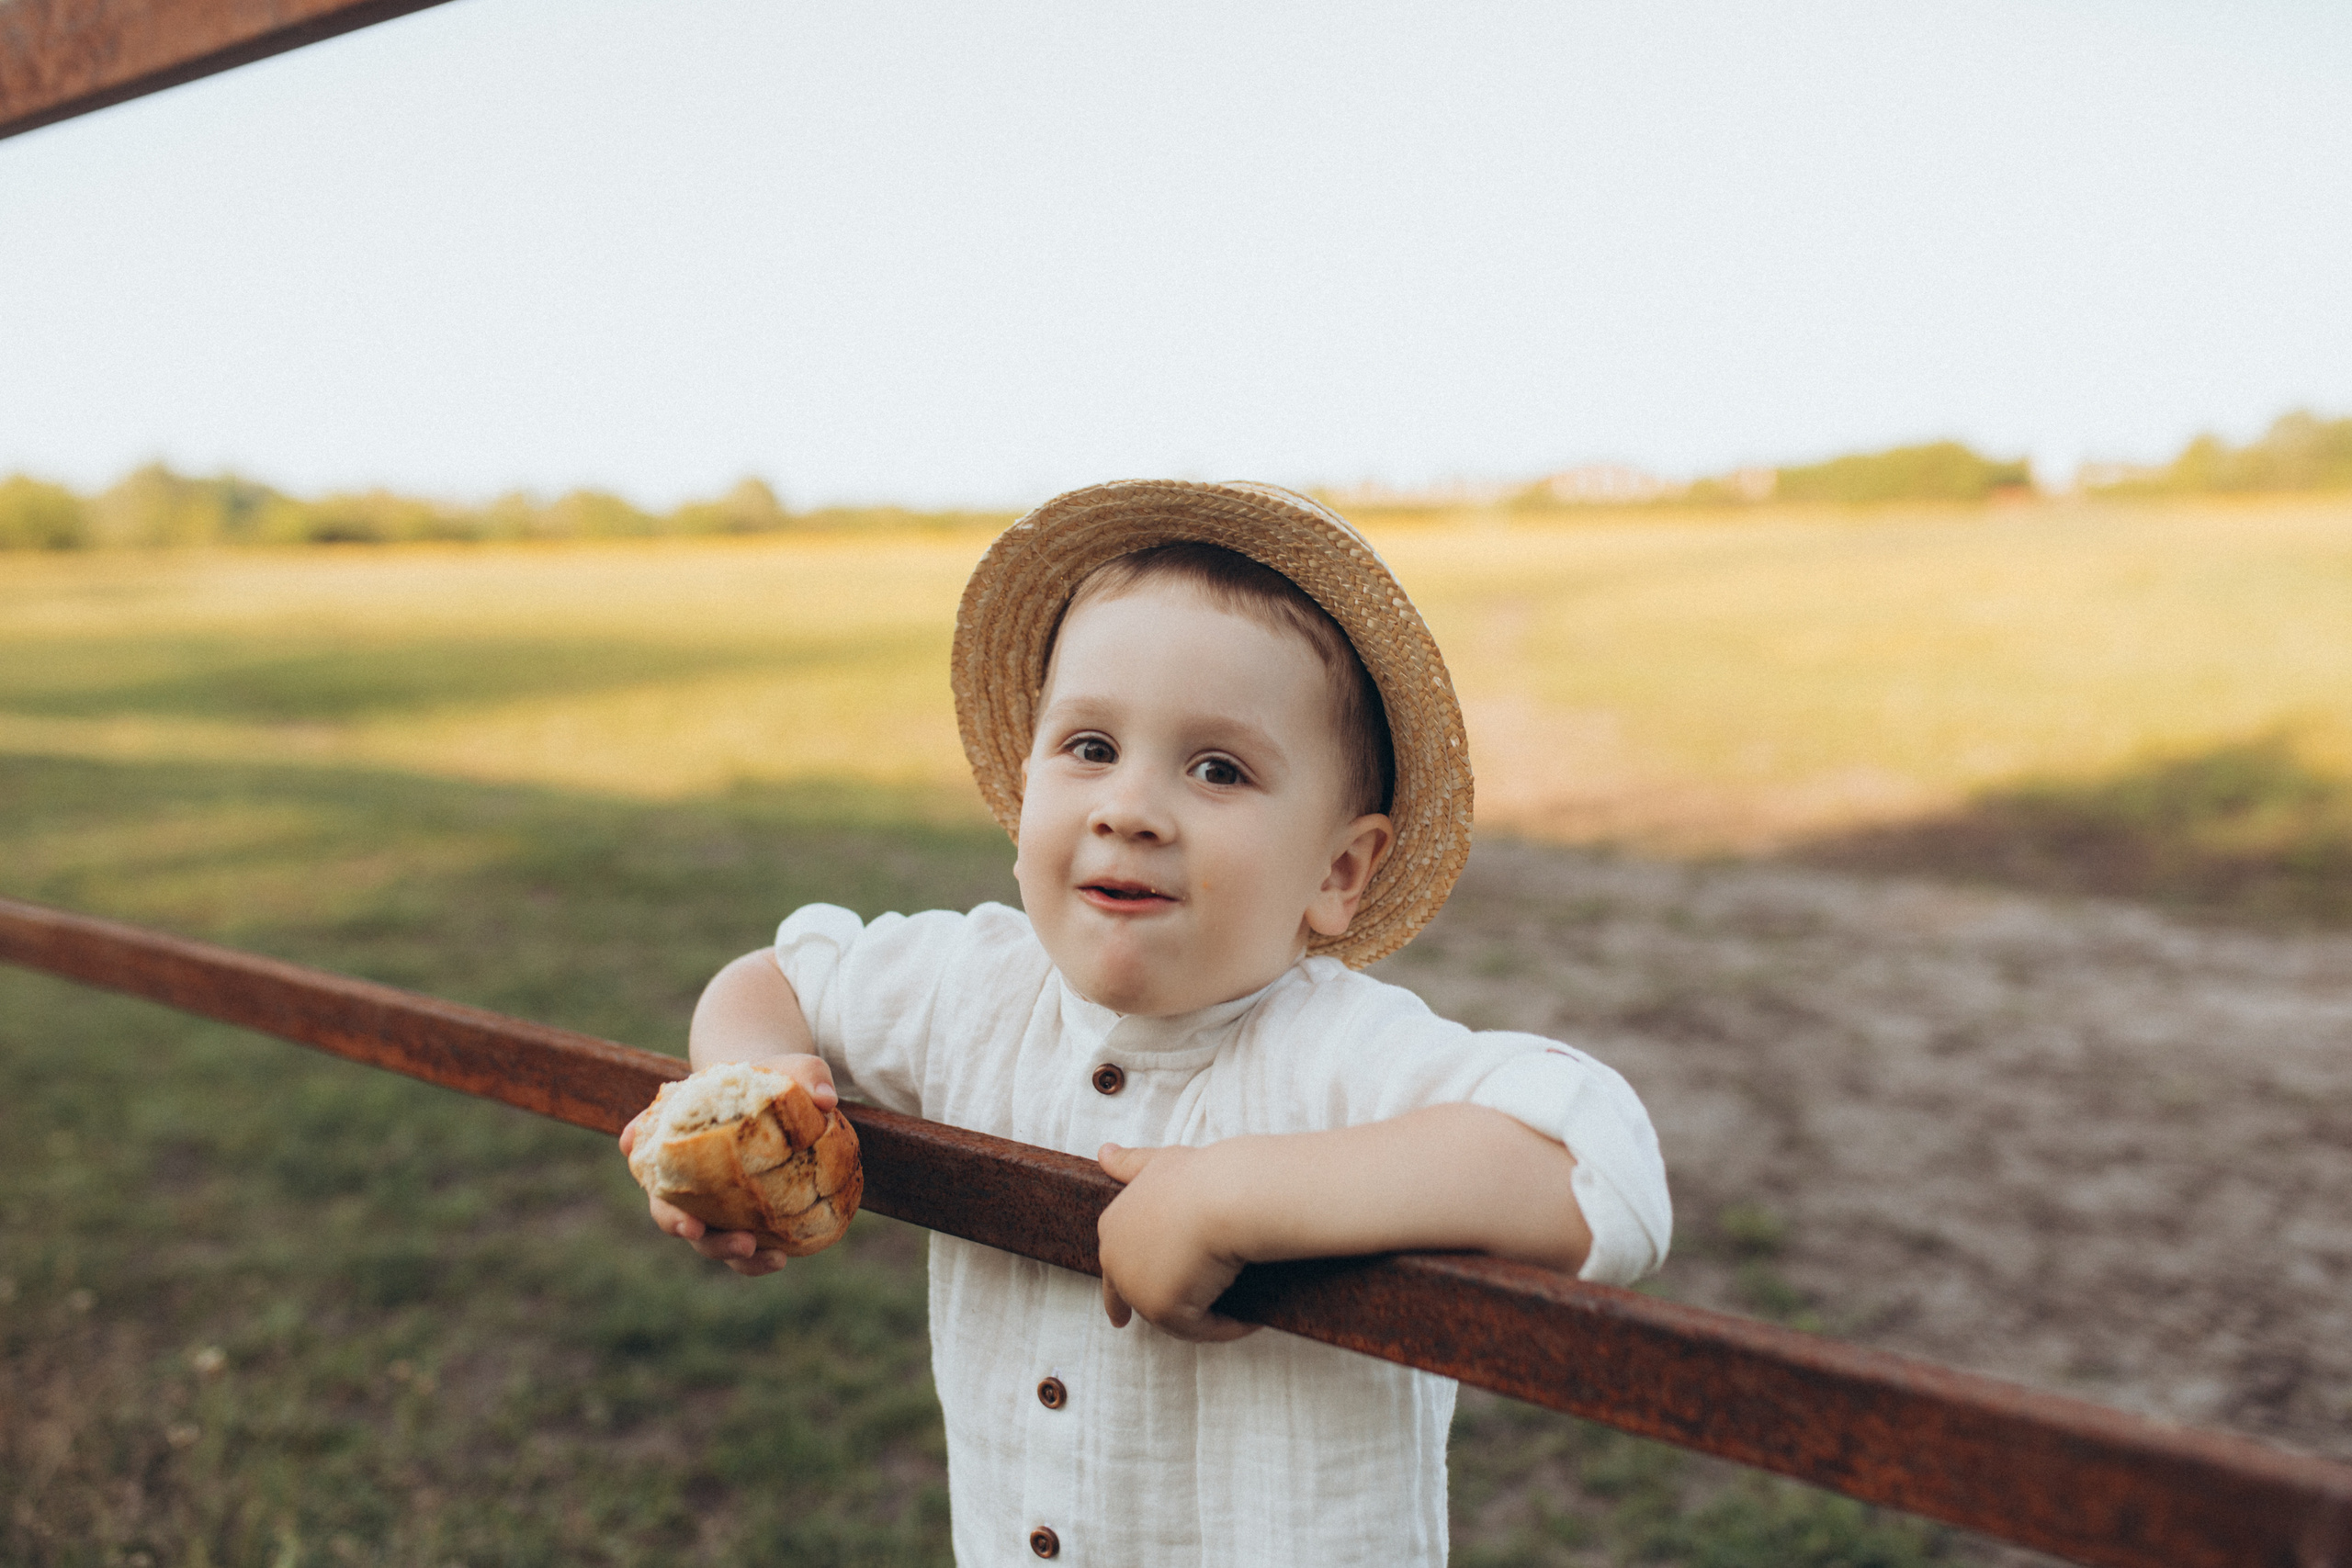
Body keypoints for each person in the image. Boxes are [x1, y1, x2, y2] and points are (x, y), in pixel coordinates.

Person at [618, 479, 1671, 1565]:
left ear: (1338, 871)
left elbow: (1605, 1171)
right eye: (1088, 747)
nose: (1127, 808)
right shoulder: (970, 988)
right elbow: (773, 980)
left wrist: (1239, 1195)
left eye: (1217, 769)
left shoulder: (1338, 1056)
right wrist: (749, 1098)